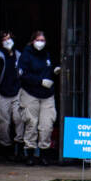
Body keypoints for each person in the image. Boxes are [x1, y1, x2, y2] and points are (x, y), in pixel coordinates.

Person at [17, 30, 60, 166]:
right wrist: (40, 81)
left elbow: (49, 68)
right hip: (30, 93)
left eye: (43, 40)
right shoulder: (26, 55)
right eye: (38, 40)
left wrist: (54, 71)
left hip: (47, 95)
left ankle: (44, 153)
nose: (40, 43)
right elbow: (23, 75)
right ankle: (30, 154)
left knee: (47, 125)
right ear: (32, 41)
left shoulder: (47, 54)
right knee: (31, 124)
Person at [0, 30, 23, 161]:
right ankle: (5, 147)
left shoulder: (18, 55)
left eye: (9, 38)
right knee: (4, 123)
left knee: (19, 118)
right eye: (4, 39)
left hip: (16, 92)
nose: (7, 41)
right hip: (2, 93)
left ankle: (19, 147)